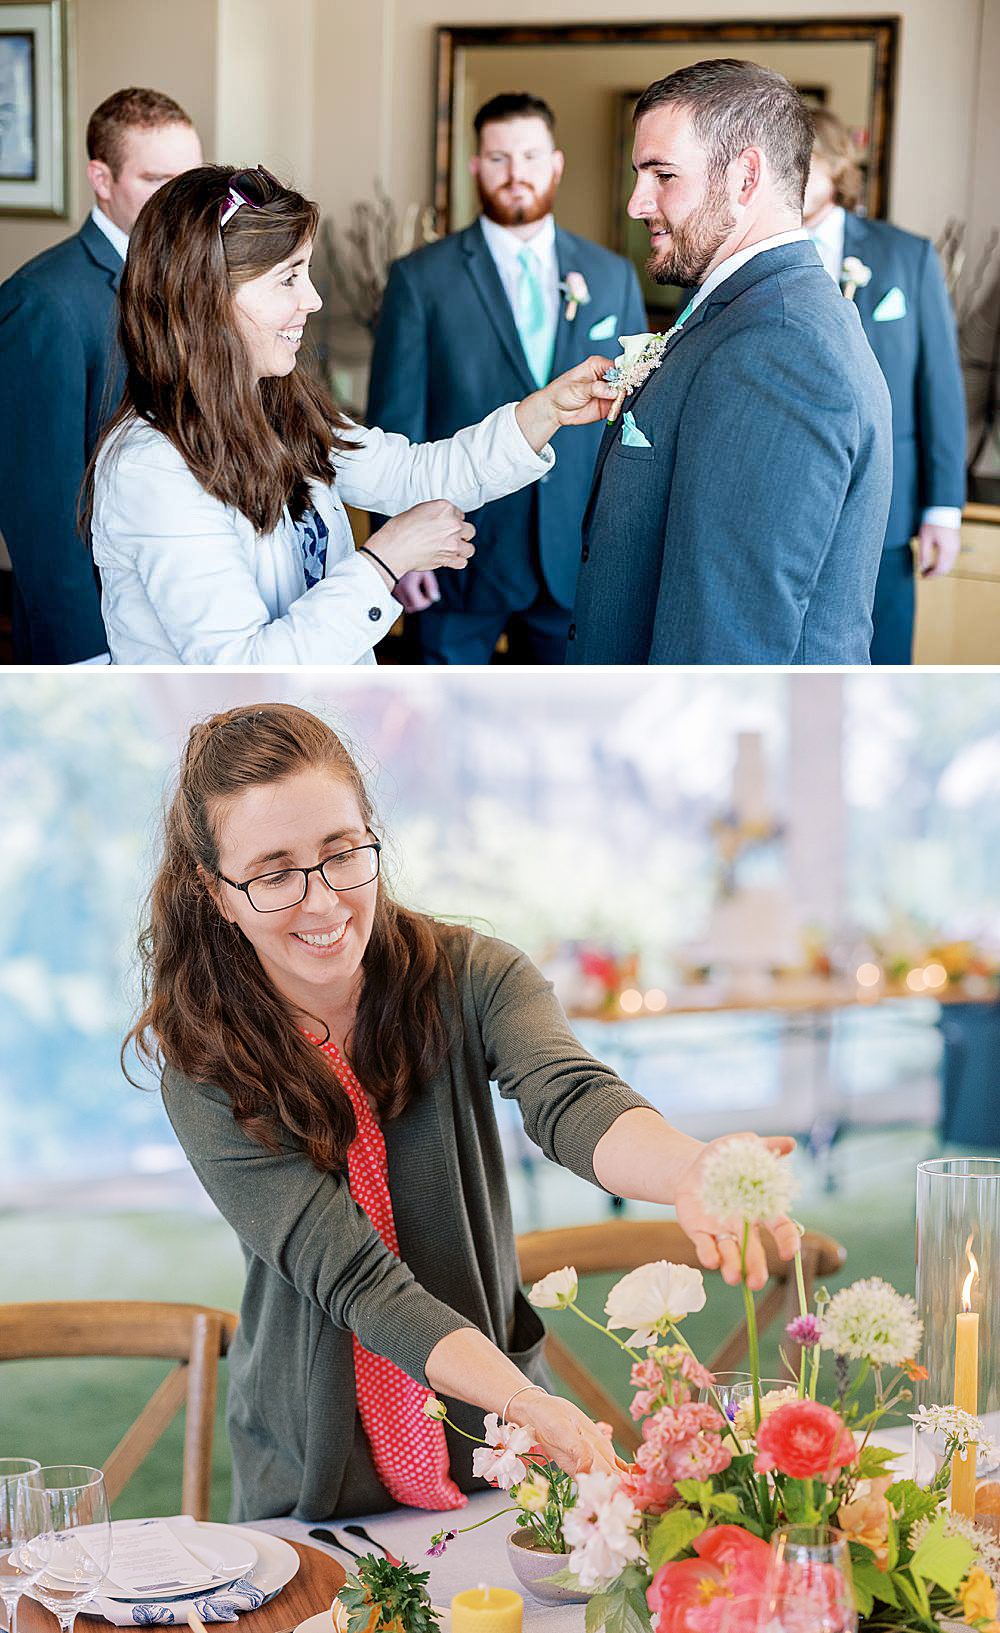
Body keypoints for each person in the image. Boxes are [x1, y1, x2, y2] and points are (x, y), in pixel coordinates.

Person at [128, 701, 801, 1521]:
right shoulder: (204, 1064)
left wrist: (691, 1168)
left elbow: (573, 1097)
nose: (323, 900)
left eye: (342, 853)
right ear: (217, 891)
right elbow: (357, 1277)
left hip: (506, 1447)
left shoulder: (474, 975)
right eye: (274, 872)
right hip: (315, 1473)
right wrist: (521, 1401)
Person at [86, 165, 618, 666]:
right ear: (207, 298)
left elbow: (415, 474)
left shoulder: (281, 409)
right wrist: (386, 560)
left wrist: (546, 410)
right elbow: (243, 670)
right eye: (288, 278)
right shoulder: (153, 467)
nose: (313, 300)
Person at [569, 59, 893, 667]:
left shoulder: (779, 345)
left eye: (662, 174)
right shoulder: (746, 310)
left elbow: (729, 635)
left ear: (746, 176)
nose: (637, 203)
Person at [367, 92, 647, 664]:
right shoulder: (420, 279)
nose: (516, 174)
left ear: (556, 164)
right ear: (475, 166)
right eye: (498, 158)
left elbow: (633, 420)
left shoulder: (612, 275)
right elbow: (395, 420)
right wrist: (401, 546)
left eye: (530, 156)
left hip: (577, 554)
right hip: (458, 552)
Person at [0, 87, 203, 664]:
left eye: (190, 181)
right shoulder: (42, 303)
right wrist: (86, 658)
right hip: (97, 632)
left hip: (187, 612)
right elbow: (41, 512)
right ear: (101, 178)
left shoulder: (196, 277)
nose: (181, 201)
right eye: (158, 181)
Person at [804, 109, 967, 664]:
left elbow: (939, 385)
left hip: (887, 510)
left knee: (881, 667)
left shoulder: (907, 257)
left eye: (804, 162)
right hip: (777, 507)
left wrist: (943, 508)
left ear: (836, 167)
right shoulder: (734, 257)